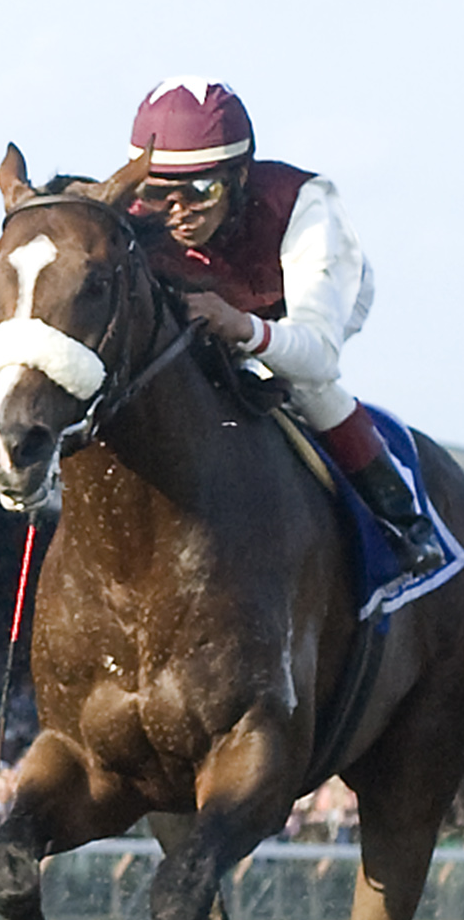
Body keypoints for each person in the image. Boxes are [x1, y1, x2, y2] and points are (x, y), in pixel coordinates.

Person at [121, 78, 445, 577]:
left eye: (201, 191)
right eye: (158, 194)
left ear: (241, 175)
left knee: (304, 382)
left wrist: (241, 327)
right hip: (214, 304)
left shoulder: (305, 205)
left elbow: (318, 351)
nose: (179, 213)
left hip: (306, 306)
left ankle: (403, 523)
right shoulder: (132, 213)